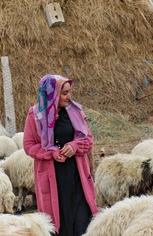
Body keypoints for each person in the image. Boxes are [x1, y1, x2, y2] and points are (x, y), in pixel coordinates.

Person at [24, 74, 99, 236]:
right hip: (53, 181)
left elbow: (88, 140)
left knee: (83, 225)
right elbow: (29, 146)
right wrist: (51, 152)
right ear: (52, 94)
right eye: (64, 93)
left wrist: (74, 146)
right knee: (59, 225)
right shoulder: (35, 116)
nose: (69, 97)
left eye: (69, 92)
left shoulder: (75, 112)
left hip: (77, 177)